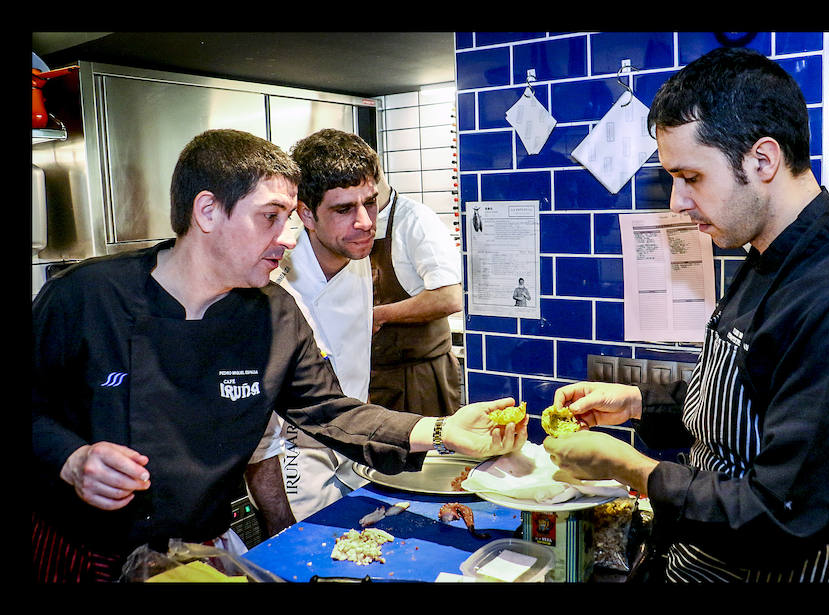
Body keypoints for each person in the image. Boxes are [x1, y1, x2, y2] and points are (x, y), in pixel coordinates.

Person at [32, 128, 528, 582]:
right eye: (271, 217)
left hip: (196, 554)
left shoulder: (272, 313)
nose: (289, 238)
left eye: (290, 219)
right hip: (79, 553)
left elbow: (335, 413)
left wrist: (445, 430)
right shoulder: (85, 297)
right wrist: (72, 459)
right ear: (207, 211)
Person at [544, 47, 829, 583]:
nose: (676, 202)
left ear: (763, 160)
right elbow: (748, 406)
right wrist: (639, 404)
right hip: (697, 563)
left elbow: (781, 518)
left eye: (690, 176)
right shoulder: (764, 250)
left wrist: (636, 471)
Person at [253, 128, 380, 521]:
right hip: (296, 459)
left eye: (371, 203)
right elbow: (262, 424)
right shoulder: (273, 279)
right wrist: (278, 518)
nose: (364, 222)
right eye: (343, 209)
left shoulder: (355, 258)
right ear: (306, 214)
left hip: (353, 451)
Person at [369, 166, 463, 417]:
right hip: (373, 375)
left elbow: (449, 297)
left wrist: (378, 315)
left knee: (427, 455)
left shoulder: (415, 220)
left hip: (418, 378)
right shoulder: (356, 228)